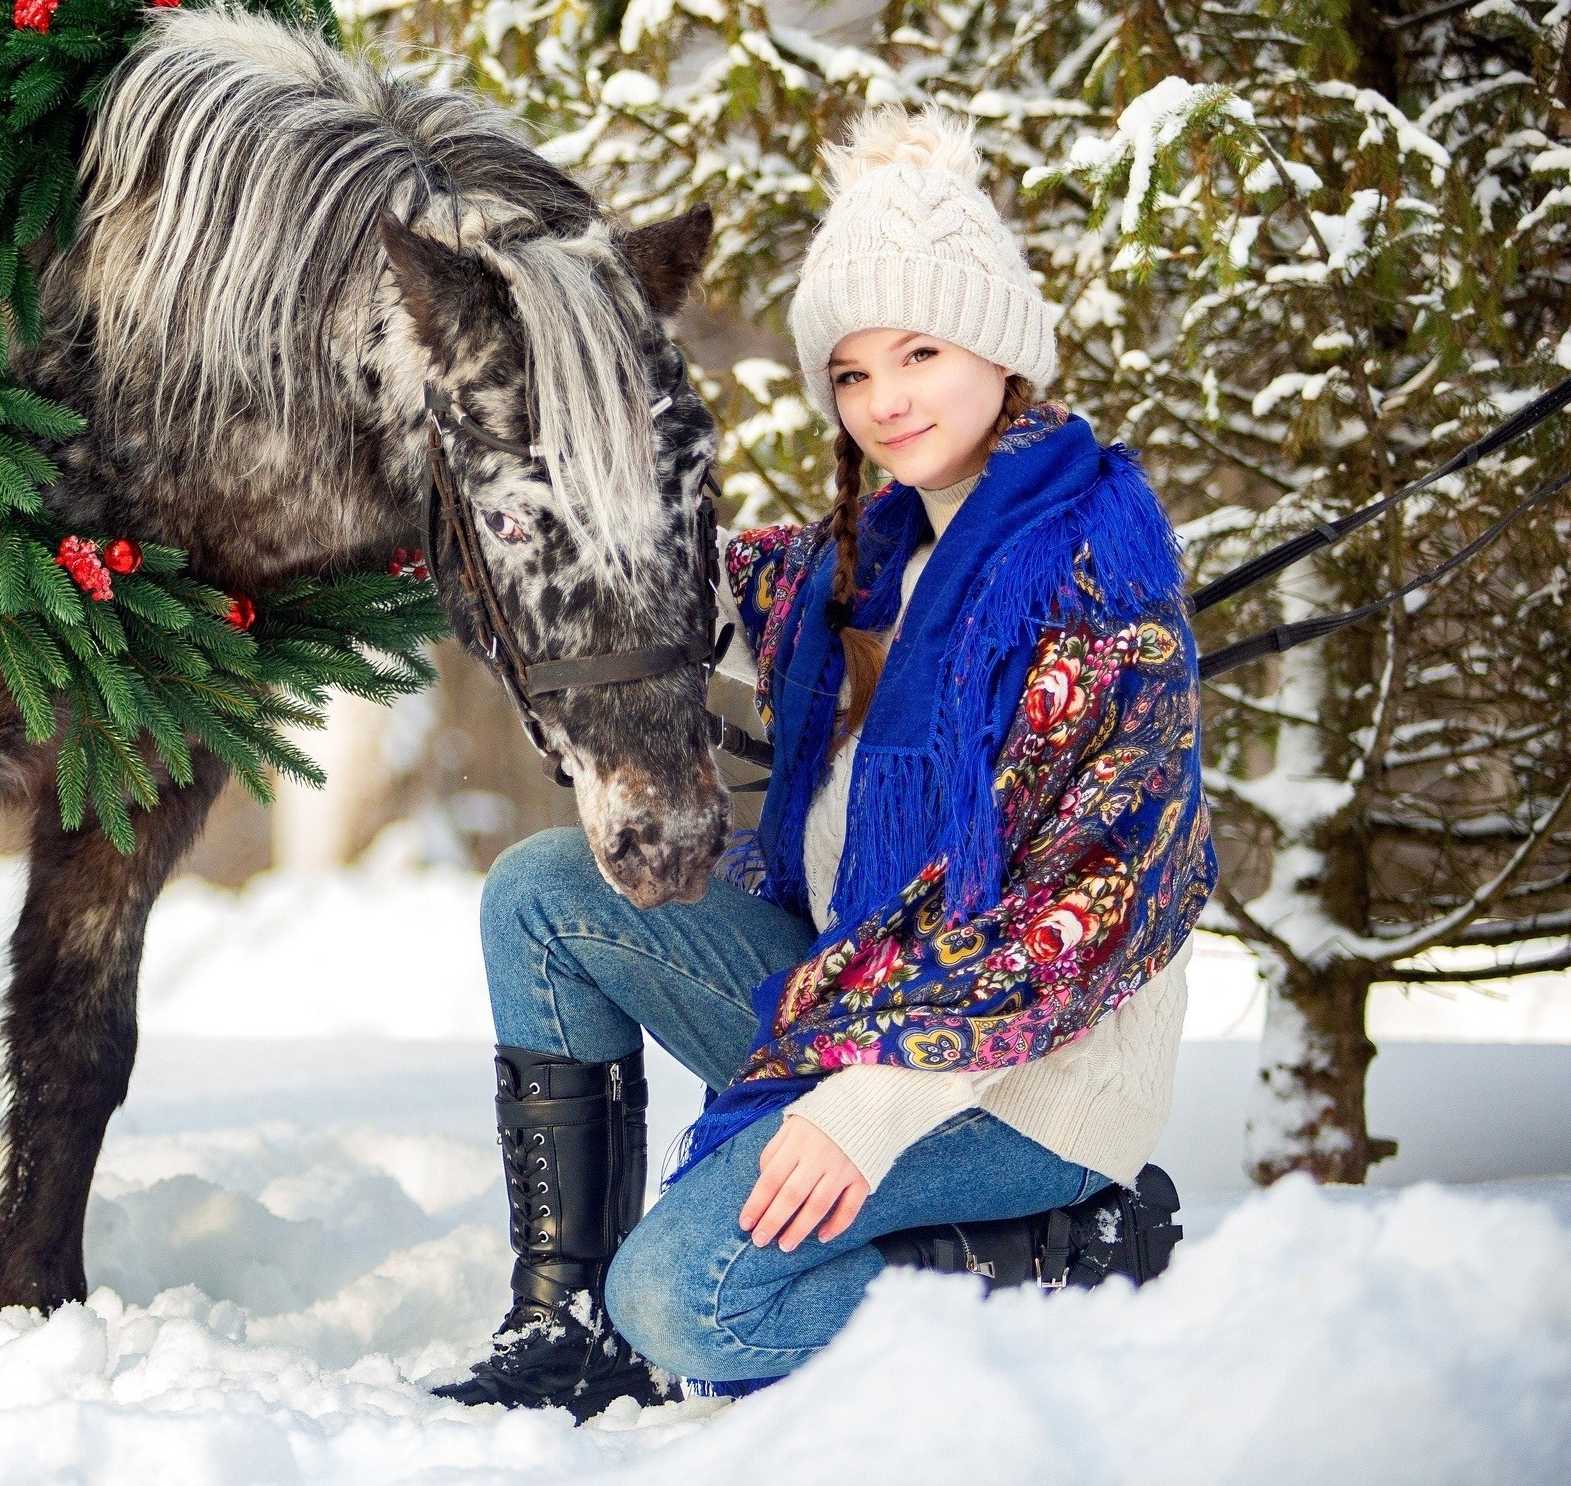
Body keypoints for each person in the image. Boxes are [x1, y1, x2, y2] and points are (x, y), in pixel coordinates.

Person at [432, 108, 1215, 1418]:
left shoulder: (1094, 583)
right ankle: (567, 1324)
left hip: (1022, 1074)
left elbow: (1074, 929)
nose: (884, 399)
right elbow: (692, 594)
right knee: (542, 890)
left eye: (919, 351)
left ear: (1004, 352)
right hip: (853, 997)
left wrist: (864, 1111)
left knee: (694, 1299)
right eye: (852, 371)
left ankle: (1070, 1262)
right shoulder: (867, 554)